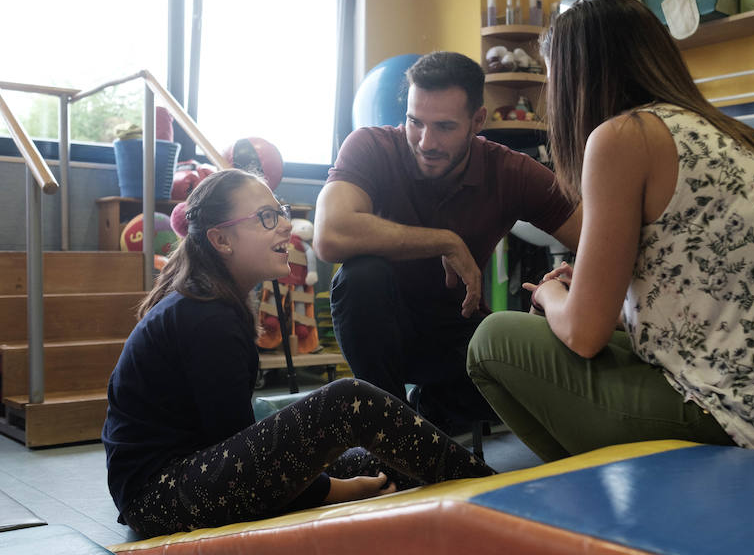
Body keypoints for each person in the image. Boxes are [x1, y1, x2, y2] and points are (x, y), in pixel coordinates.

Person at [467, 0, 754, 463]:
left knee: (492, 341)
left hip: (743, 430)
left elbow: (583, 334)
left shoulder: (623, 136)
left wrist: (549, 297)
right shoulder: (742, 137)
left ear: (575, 79)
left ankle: (593, 498)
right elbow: (702, 298)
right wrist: (600, 295)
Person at [102, 169, 494, 538]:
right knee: (347, 400)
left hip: (196, 478)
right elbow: (244, 458)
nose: (286, 225)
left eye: (281, 212)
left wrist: (346, 482)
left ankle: (484, 490)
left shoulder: (215, 304)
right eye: (267, 217)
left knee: (385, 459)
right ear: (221, 240)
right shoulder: (205, 316)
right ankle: (493, 495)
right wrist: (345, 491)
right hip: (161, 496)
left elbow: (246, 453)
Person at [313, 51, 581, 434]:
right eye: (414, 122)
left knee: (522, 364)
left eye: (444, 127)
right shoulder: (371, 145)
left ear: (477, 121)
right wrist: (446, 242)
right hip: (379, 326)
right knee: (361, 277)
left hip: (456, 329)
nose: (425, 141)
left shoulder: (509, 170)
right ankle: (389, 434)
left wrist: (567, 283)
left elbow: (597, 237)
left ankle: (426, 423)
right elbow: (330, 234)